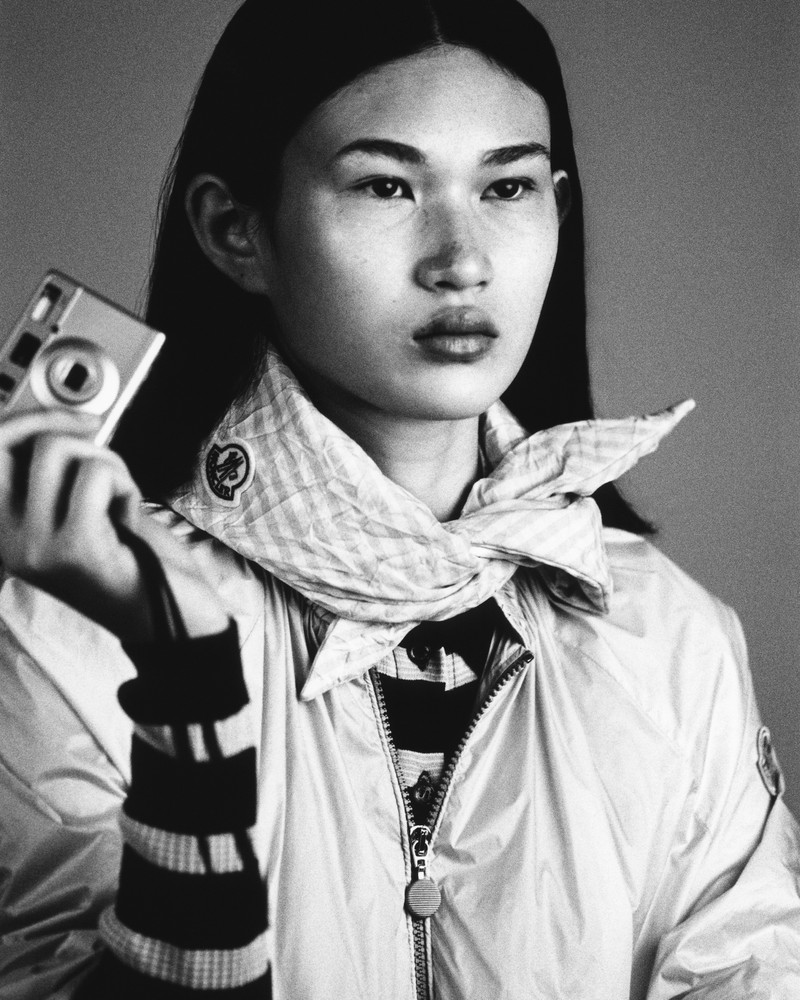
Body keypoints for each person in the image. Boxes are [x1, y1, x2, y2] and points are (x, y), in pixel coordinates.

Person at [1, 1, 799, 997]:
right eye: (386, 185)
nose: (461, 260)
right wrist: (188, 685)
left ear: (557, 207)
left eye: (506, 185)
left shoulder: (669, 635)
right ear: (234, 229)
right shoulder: (60, 630)